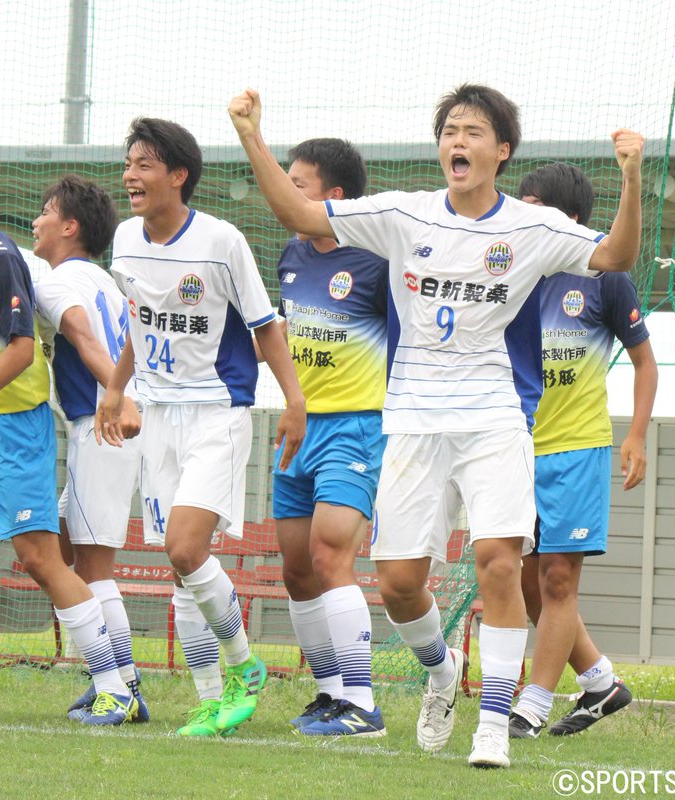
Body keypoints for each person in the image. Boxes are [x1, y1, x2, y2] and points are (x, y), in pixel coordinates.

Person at [229, 85, 644, 768]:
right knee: (396, 581)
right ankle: (442, 669)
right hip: (415, 424)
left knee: (501, 565)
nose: (459, 140)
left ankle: (492, 726)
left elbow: (616, 256)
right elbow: (299, 209)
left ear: (501, 151)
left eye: (474, 131)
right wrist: (251, 135)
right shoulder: (402, 214)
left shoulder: (531, 228)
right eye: (451, 129)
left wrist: (630, 176)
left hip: (493, 422)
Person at [0, 135, 138, 726]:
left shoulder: (2, 258)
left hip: (16, 430)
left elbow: (20, 352)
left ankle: (115, 687)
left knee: (43, 560)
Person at [94, 117, 307, 736]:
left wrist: (292, 401)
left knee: (185, 547)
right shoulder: (127, 240)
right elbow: (139, 321)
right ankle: (216, 701)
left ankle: (244, 666)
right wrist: (116, 388)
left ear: (178, 176)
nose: (130, 176)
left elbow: (266, 326)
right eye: (129, 163)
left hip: (217, 412)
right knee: (184, 568)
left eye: (144, 165)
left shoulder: (222, 241)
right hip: (156, 415)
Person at [508, 162, 657, 738]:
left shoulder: (604, 277)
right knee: (526, 585)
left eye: (533, 206)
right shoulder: (512, 274)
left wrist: (637, 436)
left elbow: (645, 362)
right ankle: (601, 684)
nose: (520, 215)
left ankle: (532, 704)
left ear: (567, 219)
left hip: (577, 452)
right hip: (514, 449)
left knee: (558, 583)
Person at [262, 138, 390, 737]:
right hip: (298, 427)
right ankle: (329, 692)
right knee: (295, 569)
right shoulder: (290, 254)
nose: (288, 192)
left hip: (357, 427)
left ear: (334, 197)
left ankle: (363, 703)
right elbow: (284, 331)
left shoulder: (376, 259)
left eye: (299, 183)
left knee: (329, 553)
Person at [28, 175, 149, 722]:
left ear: (69, 227)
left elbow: (86, 341)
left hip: (100, 429)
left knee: (94, 567)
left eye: (45, 212)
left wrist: (118, 401)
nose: (36, 221)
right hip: (105, 431)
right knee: (59, 555)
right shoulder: (104, 279)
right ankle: (122, 683)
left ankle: (122, 690)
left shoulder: (57, 283)